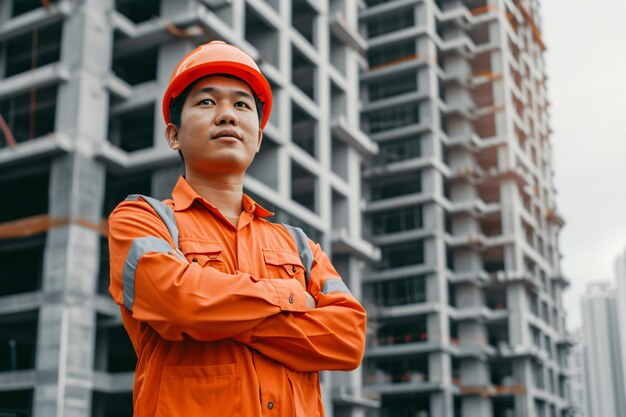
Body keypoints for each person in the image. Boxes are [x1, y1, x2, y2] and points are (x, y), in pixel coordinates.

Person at [107, 40, 366, 417]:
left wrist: (222, 316)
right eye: (207, 102)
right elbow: (179, 304)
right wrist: (289, 298)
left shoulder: (300, 245)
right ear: (174, 136)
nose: (227, 115)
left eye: (242, 104)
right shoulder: (141, 219)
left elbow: (348, 339)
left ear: (258, 139)